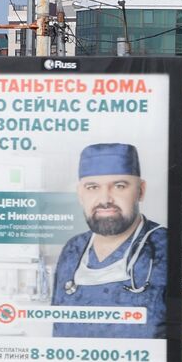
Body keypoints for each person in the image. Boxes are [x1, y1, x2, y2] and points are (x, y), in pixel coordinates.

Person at [51, 143, 166, 338]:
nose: (105, 199)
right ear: (80, 193)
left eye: (119, 186)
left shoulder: (164, 245)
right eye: (92, 187)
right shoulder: (72, 250)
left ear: (141, 190)